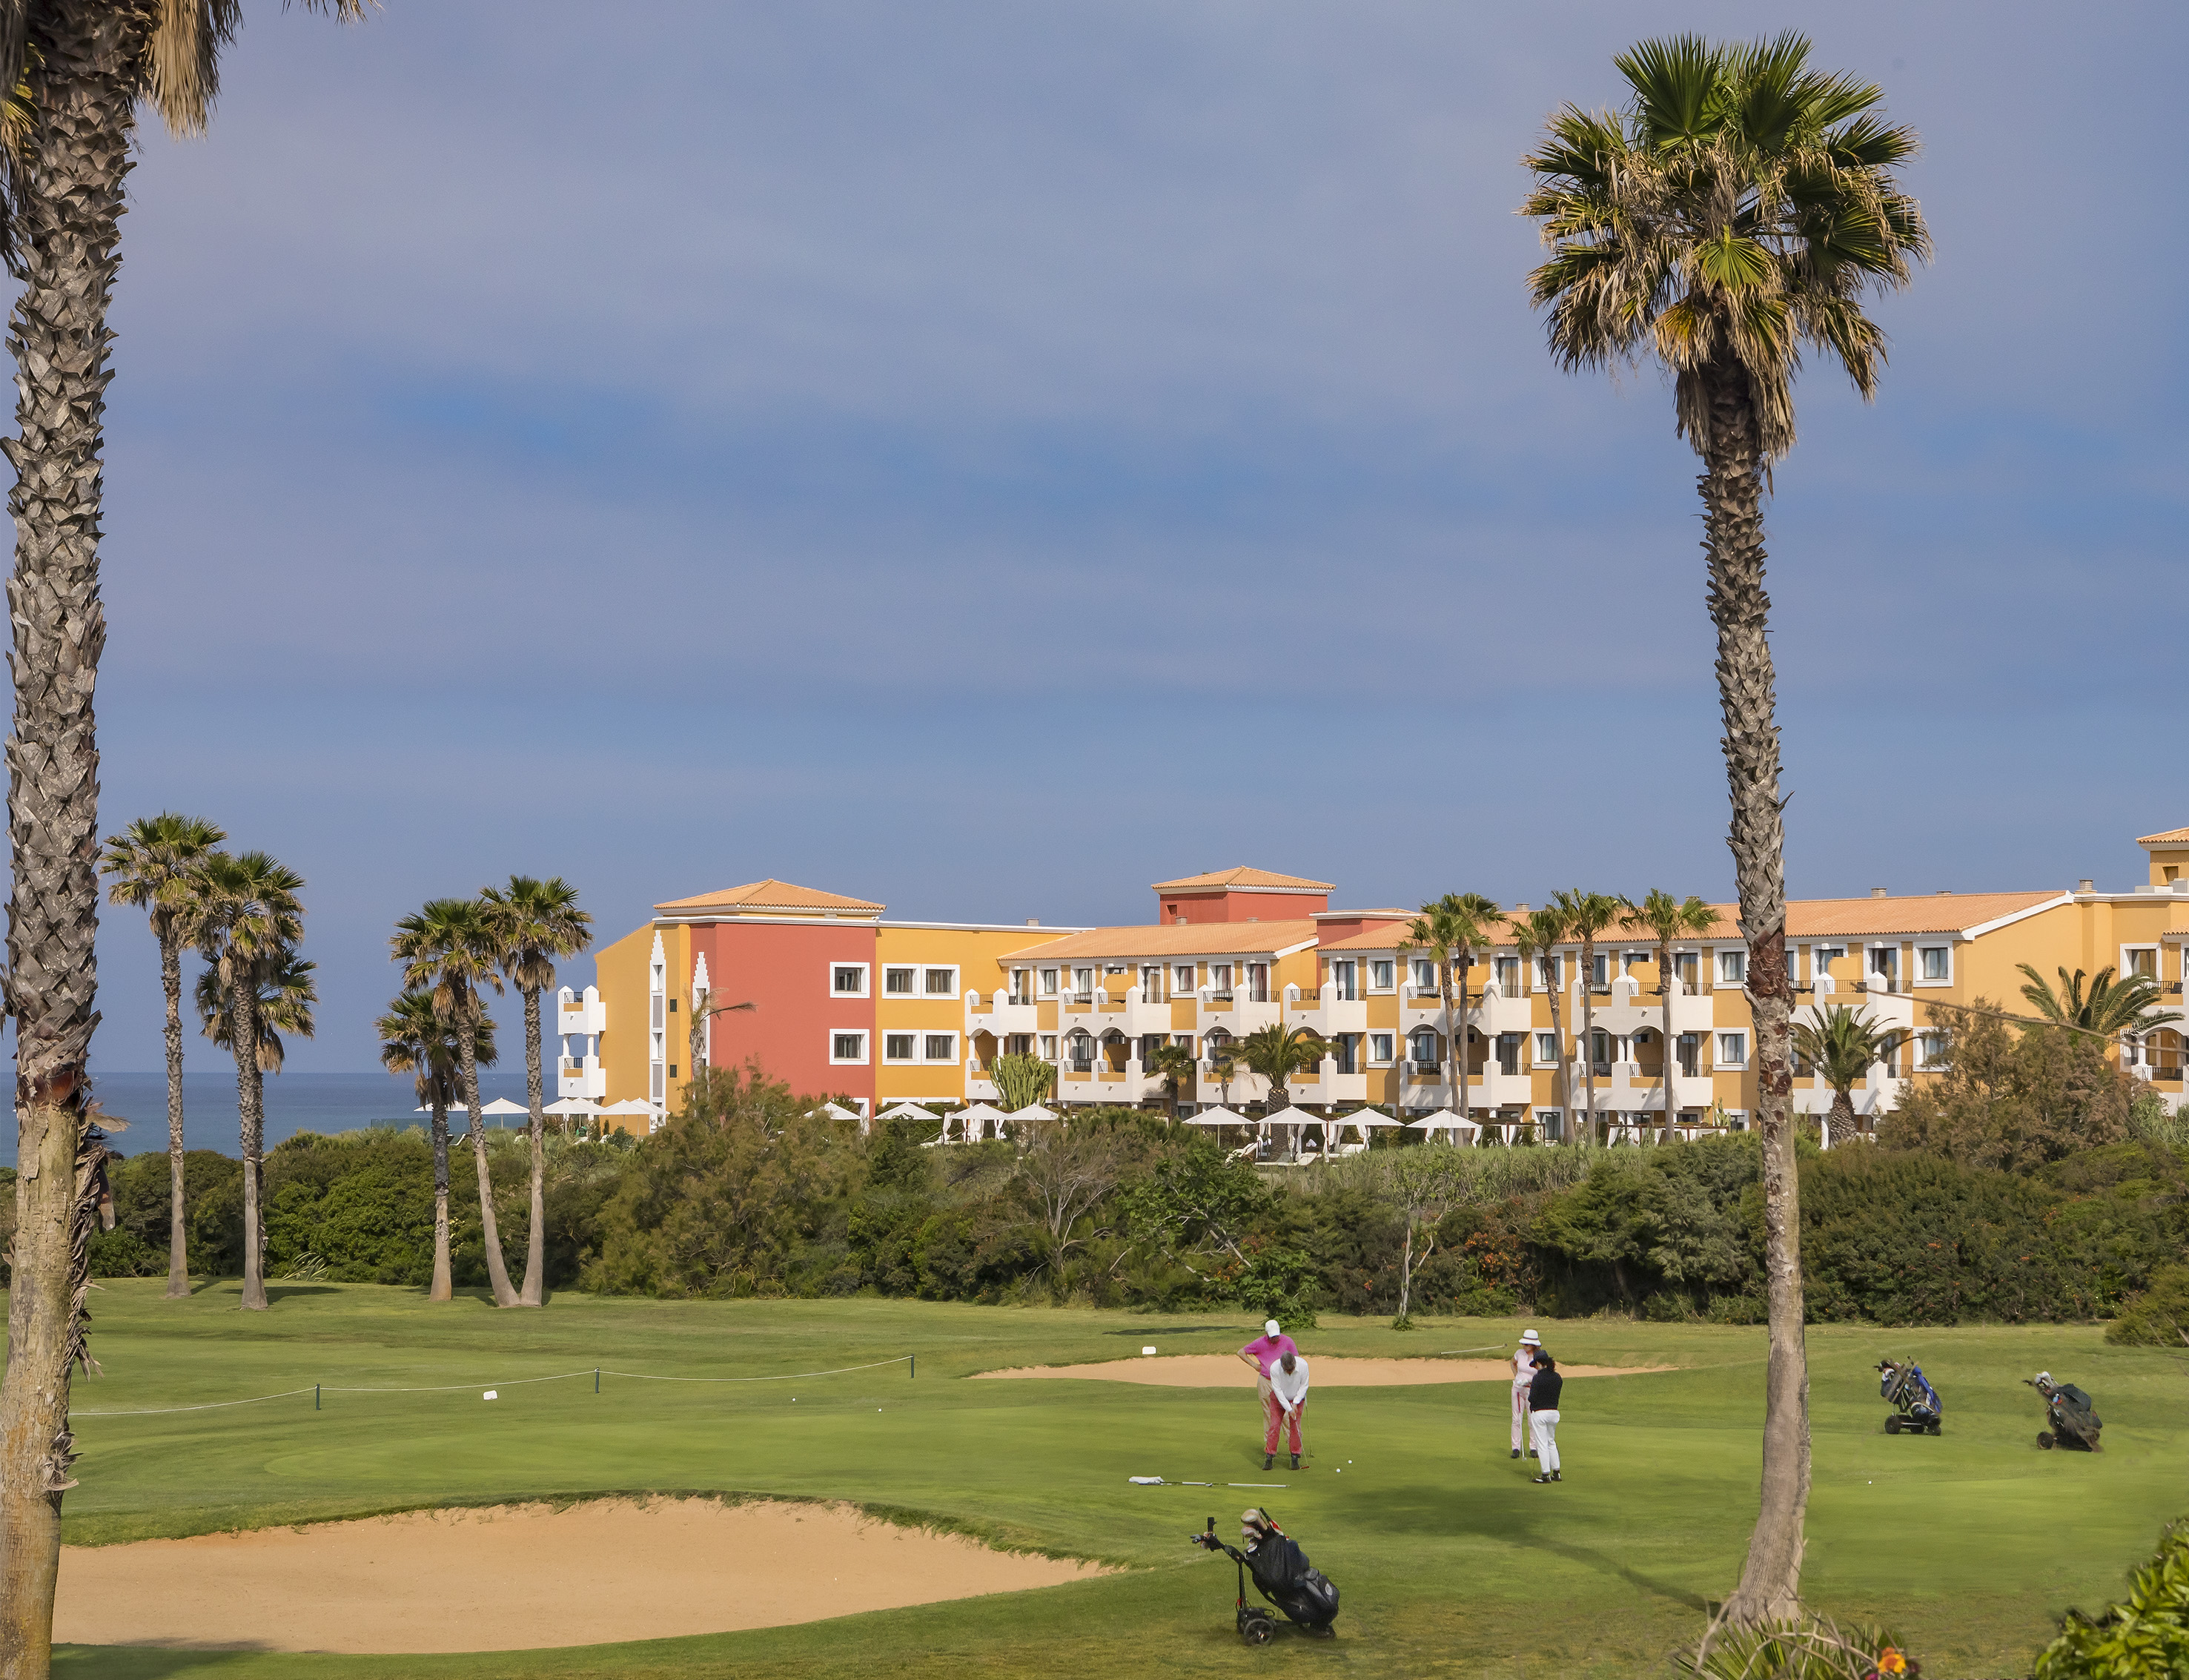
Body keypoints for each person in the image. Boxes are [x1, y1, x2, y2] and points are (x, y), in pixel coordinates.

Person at [1237, 1318, 1298, 1460]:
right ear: (1267, 1334)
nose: (1275, 1339)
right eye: (1272, 1336)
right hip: (1266, 1381)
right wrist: (1255, 1365)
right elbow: (1241, 1352)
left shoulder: (1288, 1341)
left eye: (1276, 1335)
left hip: (1284, 1382)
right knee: (1269, 1415)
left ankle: (1294, 1448)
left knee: (1288, 1414)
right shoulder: (1260, 1342)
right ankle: (1270, 1449)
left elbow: (1297, 1361)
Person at [1265, 1351, 1310, 1471]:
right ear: (1282, 1366)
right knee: (1274, 1426)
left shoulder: (1303, 1365)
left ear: (1295, 1364)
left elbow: (1304, 1386)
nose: (1290, 1372)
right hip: (1278, 1399)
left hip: (1297, 1398)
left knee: (1295, 1427)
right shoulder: (1275, 1368)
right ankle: (1269, 1456)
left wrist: (1295, 1403)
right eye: (1287, 1370)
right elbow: (1278, 1390)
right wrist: (1289, 1408)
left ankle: (1295, 1456)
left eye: (1291, 1369)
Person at [1527, 1350, 1562, 1484]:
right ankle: (1556, 1473)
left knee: (1542, 1444)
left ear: (1539, 1363)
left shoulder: (1537, 1378)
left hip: (1540, 1413)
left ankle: (1545, 1475)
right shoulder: (1557, 1377)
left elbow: (1532, 1398)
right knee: (1551, 1442)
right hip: (1554, 1413)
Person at [1510, 1329, 1540, 1459]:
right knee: (1516, 1419)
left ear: (1533, 1345)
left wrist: (1531, 1381)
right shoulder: (1519, 1353)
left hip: (1532, 1390)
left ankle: (1533, 1447)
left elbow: (1542, 1372)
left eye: (1527, 1344)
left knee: (1532, 1419)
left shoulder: (1539, 1357)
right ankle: (1516, 1448)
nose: (1524, 1346)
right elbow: (1512, 1363)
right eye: (1523, 1343)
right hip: (1518, 1389)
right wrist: (1517, 1377)